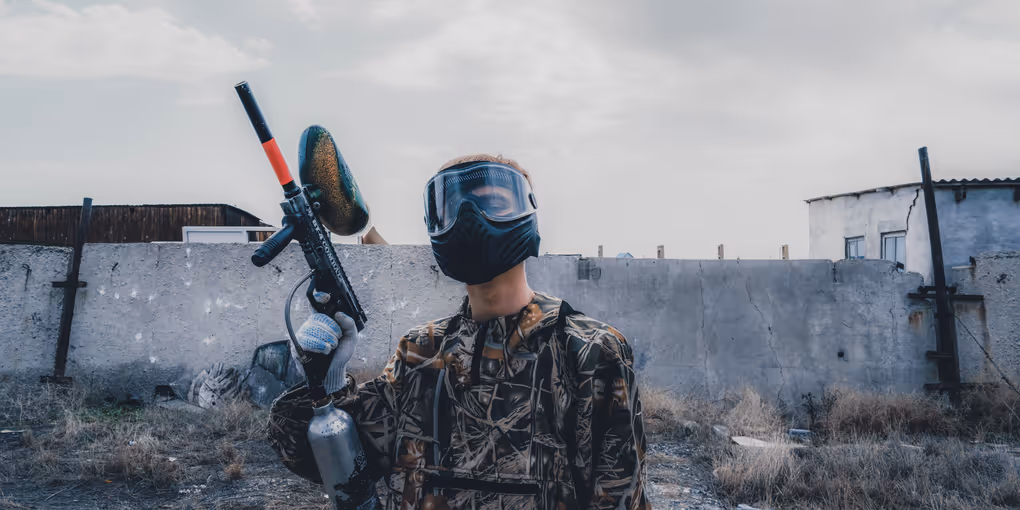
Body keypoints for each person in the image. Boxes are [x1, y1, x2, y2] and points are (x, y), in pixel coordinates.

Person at [269, 154, 649, 509]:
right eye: (451, 208)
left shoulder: (588, 352)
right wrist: (325, 380)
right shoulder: (419, 353)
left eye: (494, 202)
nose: (470, 218)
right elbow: (335, 466)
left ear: (528, 214)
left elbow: (618, 496)